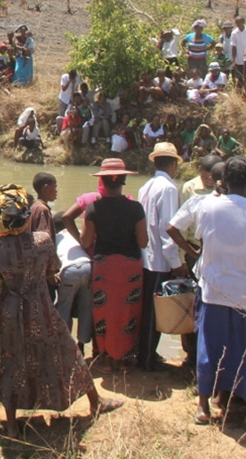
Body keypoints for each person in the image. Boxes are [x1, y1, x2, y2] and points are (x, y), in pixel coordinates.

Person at [0, 184, 122, 437]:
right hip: (40, 307)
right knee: (65, 352)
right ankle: (95, 402)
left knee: (12, 361)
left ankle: (12, 425)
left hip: (10, 312)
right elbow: (52, 269)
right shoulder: (43, 241)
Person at [194, 156, 246, 425]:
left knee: (212, 348)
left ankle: (204, 406)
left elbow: (202, 241)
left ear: (224, 182)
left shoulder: (209, 208)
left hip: (217, 290)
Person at [80, 159, 146, 371]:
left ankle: (106, 359)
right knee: (128, 310)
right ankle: (126, 359)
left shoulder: (93, 208)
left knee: (104, 311)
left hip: (104, 266)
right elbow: (143, 241)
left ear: (103, 181)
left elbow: (87, 242)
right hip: (129, 266)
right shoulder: (136, 208)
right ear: (124, 180)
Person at [136, 142, 187, 371]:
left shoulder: (146, 186)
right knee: (154, 312)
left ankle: (145, 355)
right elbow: (168, 228)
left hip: (145, 256)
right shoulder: (169, 188)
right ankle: (146, 359)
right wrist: (176, 263)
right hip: (158, 259)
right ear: (173, 164)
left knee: (146, 309)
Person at [54, 211, 93, 355]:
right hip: (88, 267)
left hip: (69, 271)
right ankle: (81, 345)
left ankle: (64, 346)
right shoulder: (79, 233)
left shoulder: (56, 238)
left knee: (64, 307)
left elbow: (55, 262)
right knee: (86, 308)